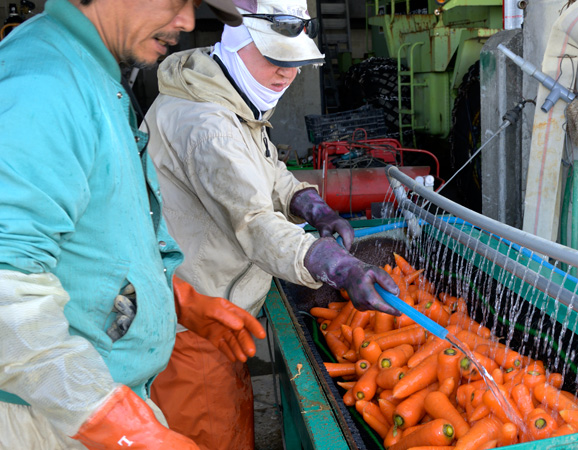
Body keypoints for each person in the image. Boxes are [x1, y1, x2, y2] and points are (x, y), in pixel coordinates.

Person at [0, 0, 267, 448]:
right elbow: (8, 297)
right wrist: (128, 432)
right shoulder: (43, 87)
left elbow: (96, 238)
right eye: (176, 0)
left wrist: (175, 300)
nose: (185, 22)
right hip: (47, 419)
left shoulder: (92, 72)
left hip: (93, 403)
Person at [142, 0, 401, 447]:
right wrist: (338, 267)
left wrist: (309, 204)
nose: (287, 74)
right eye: (275, 59)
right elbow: (255, 222)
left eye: (294, 62)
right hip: (191, 326)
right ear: (237, 41)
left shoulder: (226, 96)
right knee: (209, 434)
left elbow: (266, 171)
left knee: (231, 418)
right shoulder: (210, 125)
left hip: (214, 310)